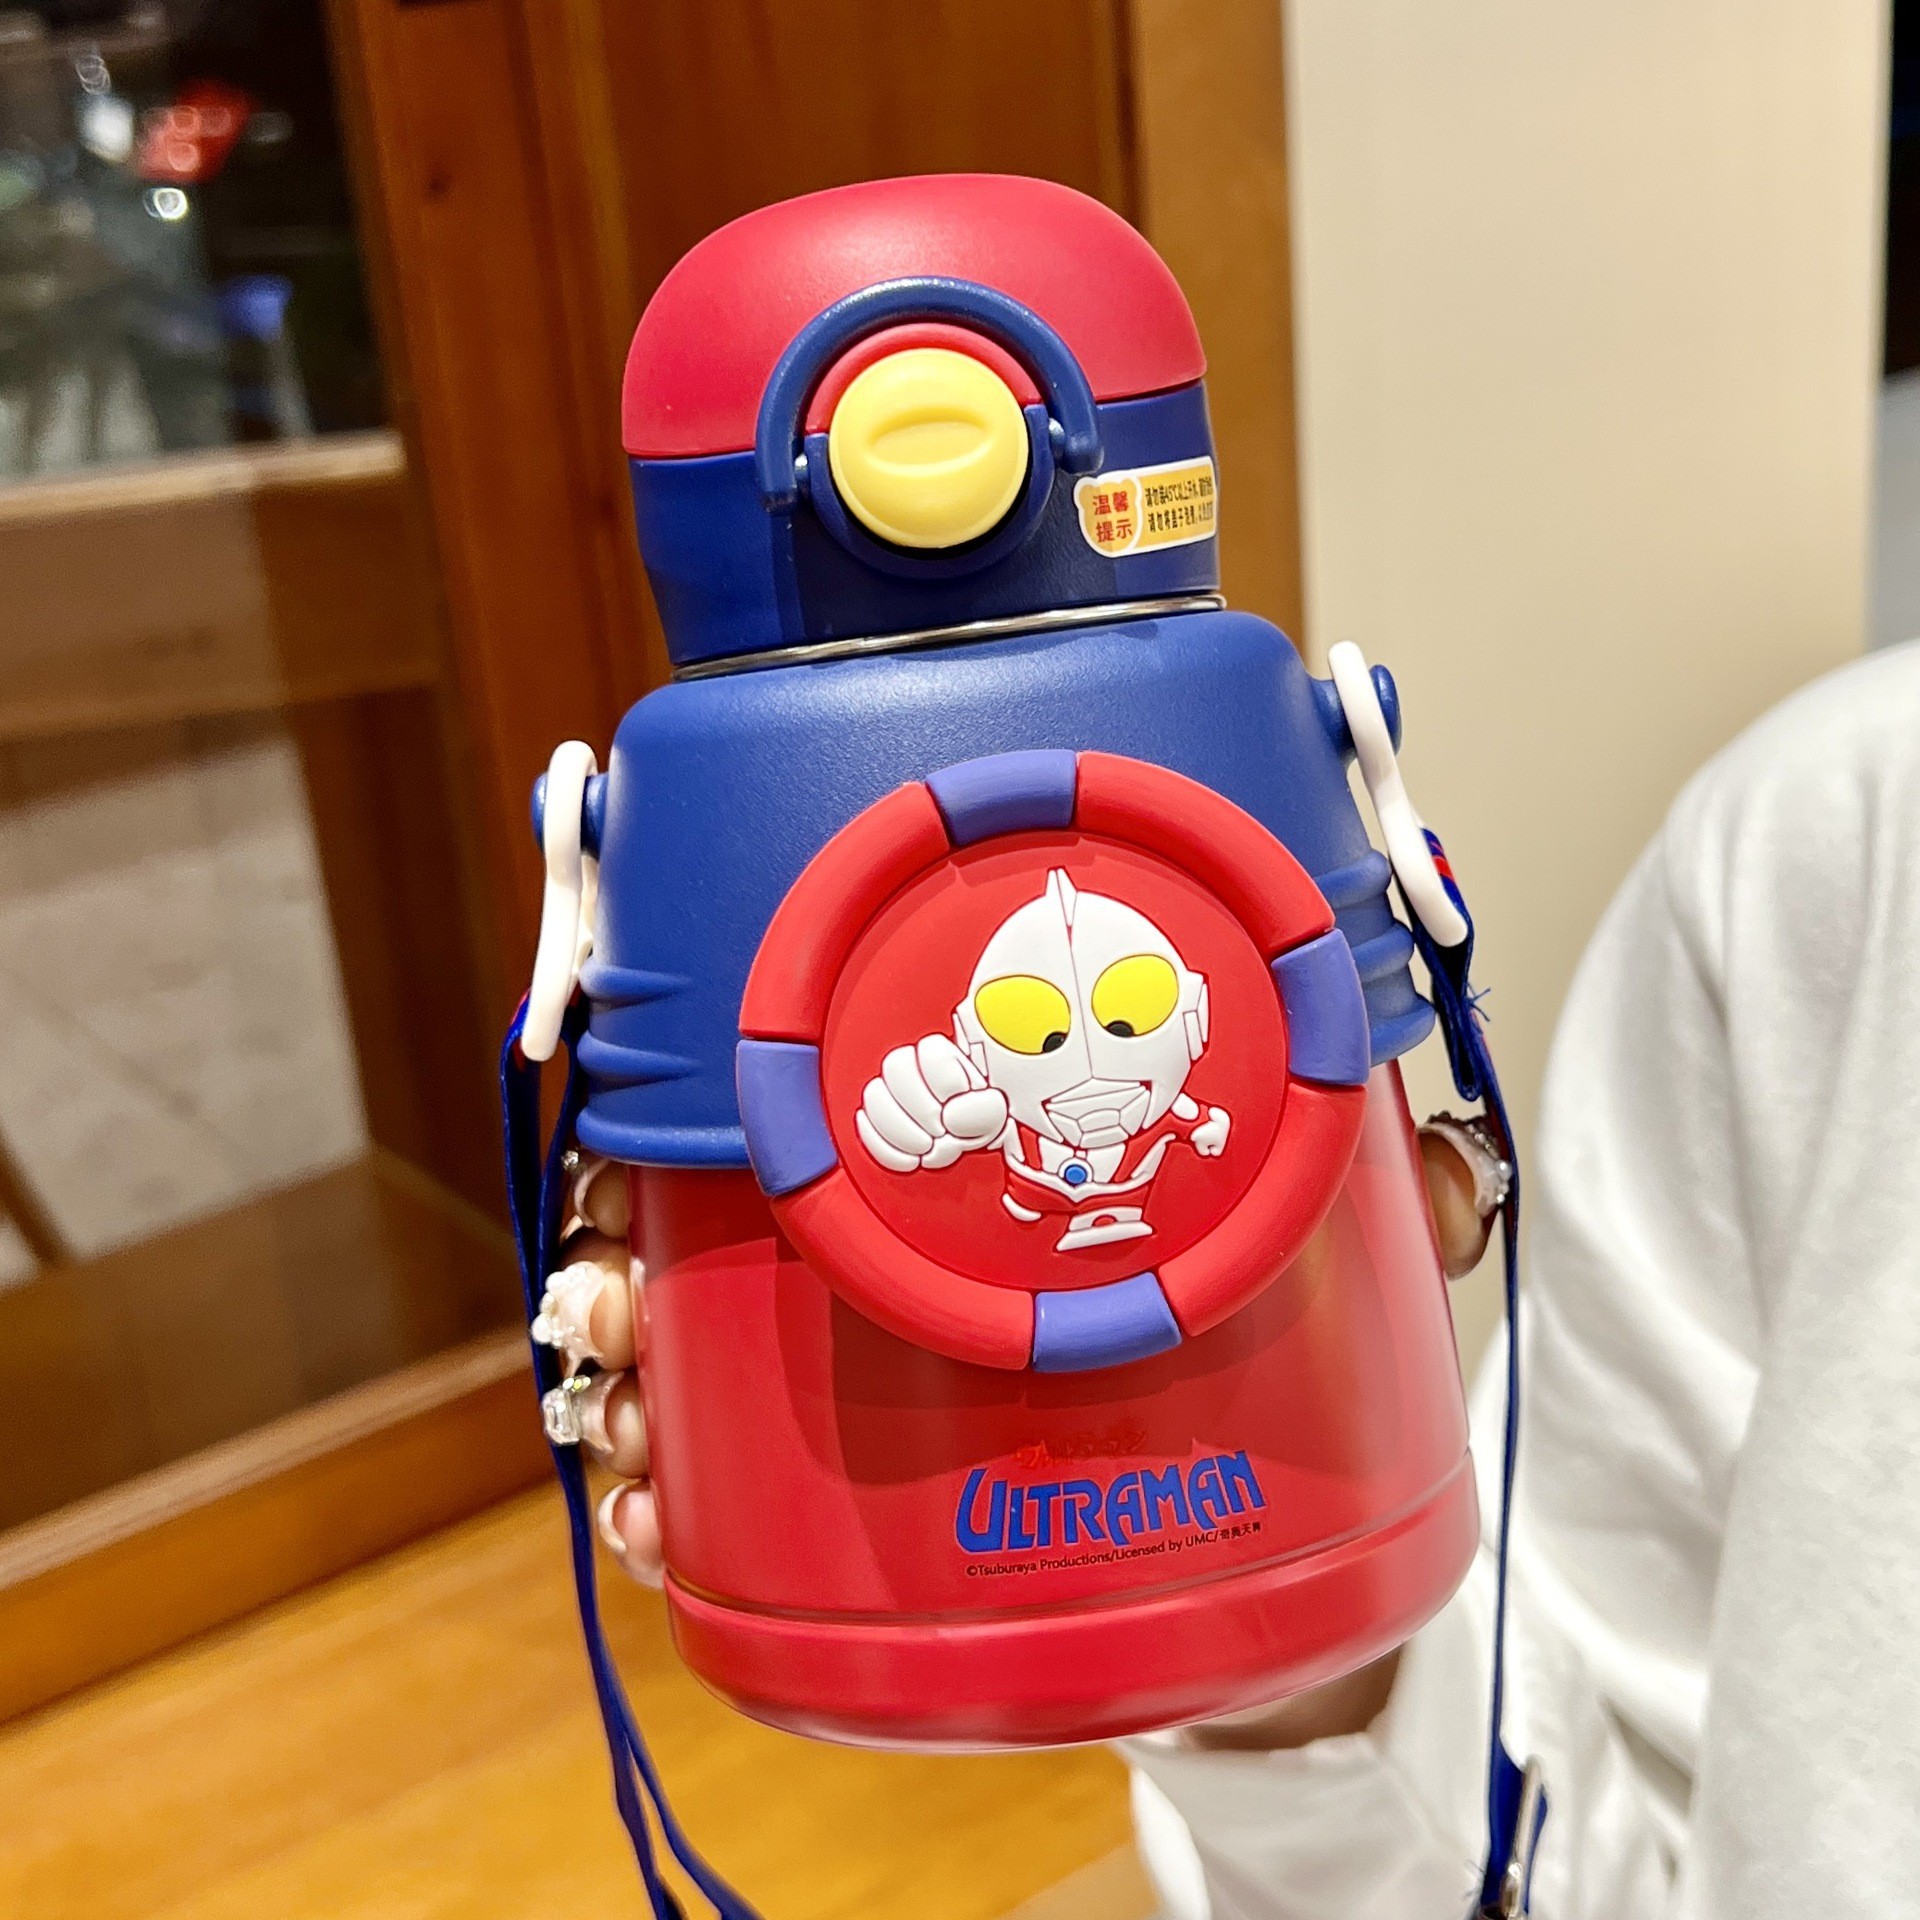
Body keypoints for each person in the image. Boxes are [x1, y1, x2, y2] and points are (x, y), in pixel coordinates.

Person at [557, 640, 1920, 1916]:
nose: (1086, 1066)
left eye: (1131, 1018)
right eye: (1031, 1028)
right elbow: (1602, 1820)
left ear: (1196, 1017)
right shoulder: (1831, 844)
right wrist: (1285, 1666)